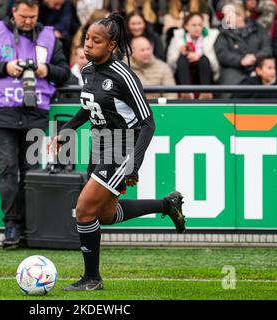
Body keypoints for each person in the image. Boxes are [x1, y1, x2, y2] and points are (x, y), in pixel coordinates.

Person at [48, 13, 186, 291]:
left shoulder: (124, 76)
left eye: (96, 41)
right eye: (87, 38)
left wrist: (133, 164)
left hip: (121, 146)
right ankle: (166, 205)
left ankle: (92, 279)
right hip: (99, 145)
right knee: (106, 216)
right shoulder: (87, 70)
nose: (88, 44)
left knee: (84, 211)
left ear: (111, 45)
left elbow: (148, 123)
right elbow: (89, 109)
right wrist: (69, 130)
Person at [0, 0, 70, 248]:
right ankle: (11, 225)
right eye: (24, 16)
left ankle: (31, 226)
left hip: (34, 113)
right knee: (7, 169)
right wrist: (5, 67)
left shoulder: (48, 35)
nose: (28, 21)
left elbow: (64, 73)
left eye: (33, 17)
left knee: (31, 172)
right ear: (14, 12)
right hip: (1, 114)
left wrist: (47, 70)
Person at [214, 3, 272, 85]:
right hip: (233, 69)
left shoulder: (259, 29)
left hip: (258, 67)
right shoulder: (223, 34)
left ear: (241, 16)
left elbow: (267, 49)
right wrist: (240, 60)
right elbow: (222, 53)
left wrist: (255, 57)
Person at [166, 13, 220, 99]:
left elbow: (215, 66)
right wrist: (180, 52)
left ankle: (205, 92)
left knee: (204, 59)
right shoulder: (177, 39)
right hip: (182, 76)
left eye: (200, 25)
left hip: (204, 76)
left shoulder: (210, 39)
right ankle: (186, 92)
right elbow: (170, 64)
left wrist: (198, 57)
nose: (197, 28)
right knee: (182, 59)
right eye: (194, 25)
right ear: (186, 26)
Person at [129, 36, 177, 100]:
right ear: (132, 52)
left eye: (148, 49)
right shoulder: (123, 68)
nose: (146, 53)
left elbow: (171, 95)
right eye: (142, 50)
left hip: (158, 108)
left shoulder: (163, 67)